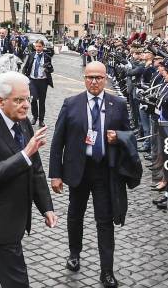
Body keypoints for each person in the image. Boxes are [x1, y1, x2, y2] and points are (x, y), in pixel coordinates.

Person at [0, 72, 57, 288]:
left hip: (16, 218)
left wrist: (46, 208)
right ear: (0, 101)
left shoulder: (22, 121)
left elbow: (36, 170)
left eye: (28, 99)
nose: (26, 105)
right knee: (18, 282)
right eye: (19, 100)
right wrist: (25, 153)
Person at [49, 61, 132, 288]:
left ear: (105, 79)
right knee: (75, 215)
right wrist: (55, 175)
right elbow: (58, 142)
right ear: (84, 78)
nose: (94, 81)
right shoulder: (71, 104)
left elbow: (129, 135)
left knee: (104, 221)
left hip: (105, 171)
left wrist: (119, 138)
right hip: (78, 170)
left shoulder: (118, 104)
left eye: (98, 77)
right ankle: (74, 253)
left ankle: (107, 271)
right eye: (90, 77)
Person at [22, 39, 54, 127]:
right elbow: (25, 67)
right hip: (32, 80)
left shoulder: (47, 57)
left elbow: (51, 70)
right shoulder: (32, 55)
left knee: (42, 101)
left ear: (43, 47)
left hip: (43, 81)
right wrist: (24, 77)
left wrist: (48, 67)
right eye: (36, 46)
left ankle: (41, 120)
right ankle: (34, 117)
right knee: (33, 99)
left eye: (40, 46)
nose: (38, 48)